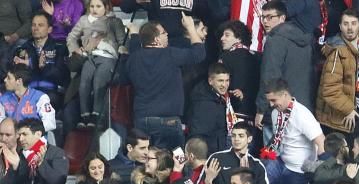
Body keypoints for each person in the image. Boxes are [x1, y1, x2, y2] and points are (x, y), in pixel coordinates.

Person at [124, 15, 205, 150]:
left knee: (146, 163)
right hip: (169, 121)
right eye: (163, 33)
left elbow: (135, 49)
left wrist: (133, 34)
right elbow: (198, 54)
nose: (167, 34)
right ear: (156, 39)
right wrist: (191, 27)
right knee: (175, 163)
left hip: (141, 120)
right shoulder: (170, 54)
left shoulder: (133, 59)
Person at [260, 79, 324, 184]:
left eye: (273, 100)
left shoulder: (302, 115)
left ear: (285, 95)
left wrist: (320, 169)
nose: (271, 105)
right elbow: (278, 138)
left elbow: (321, 140)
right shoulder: (276, 113)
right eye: (269, 101)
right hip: (281, 161)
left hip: (298, 170)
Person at [315, 10, 359, 138]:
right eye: (346, 24)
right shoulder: (337, 51)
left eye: (353, 23)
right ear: (340, 27)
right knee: (347, 155)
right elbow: (330, 90)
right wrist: (349, 109)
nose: (349, 28)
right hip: (345, 115)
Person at [67, 0, 125, 128]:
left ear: (106, 7)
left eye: (98, 6)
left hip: (108, 56)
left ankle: (97, 115)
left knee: (99, 81)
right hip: (90, 56)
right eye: (92, 6)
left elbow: (123, 41)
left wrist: (121, 49)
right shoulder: (84, 20)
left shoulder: (113, 22)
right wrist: (75, 50)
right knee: (84, 82)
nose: (95, 9)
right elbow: (71, 37)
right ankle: (85, 115)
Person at [255, 0, 312, 120]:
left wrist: (262, 109)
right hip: (304, 109)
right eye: (263, 17)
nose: (265, 21)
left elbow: (269, 76)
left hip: (279, 110)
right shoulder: (306, 41)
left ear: (282, 18)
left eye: (270, 17)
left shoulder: (275, 40)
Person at [186, 63, 239, 154]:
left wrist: (237, 100)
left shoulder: (220, 97)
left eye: (227, 80)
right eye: (220, 81)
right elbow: (199, 134)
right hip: (208, 155)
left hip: (218, 151)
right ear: (210, 81)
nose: (224, 85)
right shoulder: (203, 102)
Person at [0, 66, 56, 136]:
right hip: (11, 139)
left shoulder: (40, 97)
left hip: (35, 139)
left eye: (9, 78)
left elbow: (50, 123)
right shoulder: (3, 99)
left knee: (39, 146)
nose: (5, 80)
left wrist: (29, 131)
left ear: (19, 81)